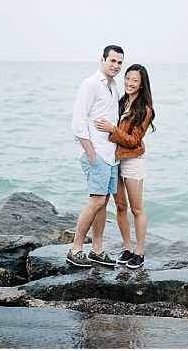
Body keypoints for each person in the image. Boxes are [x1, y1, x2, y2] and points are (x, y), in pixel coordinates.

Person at [66, 45, 125, 268]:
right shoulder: (90, 84)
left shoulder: (114, 88)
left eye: (119, 62)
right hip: (97, 153)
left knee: (104, 201)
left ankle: (97, 250)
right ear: (102, 60)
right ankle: (75, 249)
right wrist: (91, 153)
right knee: (96, 200)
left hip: (110, 154)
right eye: (112, 61)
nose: (116, 66)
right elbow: (78, 122)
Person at [94, 64, 155, 269]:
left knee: (137, 209)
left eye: (135, 80)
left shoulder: (145, 110)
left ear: (142, 84)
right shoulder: (120, 102)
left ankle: (139, 253)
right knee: (120, 207)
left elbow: (134, 141)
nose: (129, 82)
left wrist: (112, 129)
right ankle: (128, 249)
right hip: (114, 160)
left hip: (132, 161)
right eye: (127, 78)